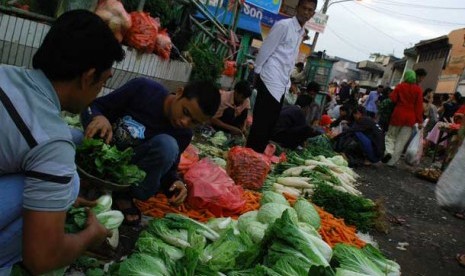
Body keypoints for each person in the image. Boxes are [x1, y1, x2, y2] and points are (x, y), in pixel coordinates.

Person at [0, 10, 125, 275]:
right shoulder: (52, 140)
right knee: (69, 183)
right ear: (88, 77)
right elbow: (42, 258)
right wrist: (89, 237)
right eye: (103, 82)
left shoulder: (5, 73)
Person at [81, 78, 220, 225]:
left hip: (126, 176)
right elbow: (95, 106)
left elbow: (167, 169)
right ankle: (89, 182)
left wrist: (176, 184)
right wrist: (99, 117)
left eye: (194, 122)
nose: (185, 122)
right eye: (185, 112)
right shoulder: (143, 89)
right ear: (179, 93)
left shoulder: (183, 134)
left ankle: (124, 195)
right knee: (70, 138)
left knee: (168, 145)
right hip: (97, 156)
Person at [246, 0, 317, 153]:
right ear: (297, 8)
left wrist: (287, 82)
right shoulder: (283, 26)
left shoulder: (300, 32)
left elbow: (289, 58)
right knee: (261, 125)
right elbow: (266, 48)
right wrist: (256, 73)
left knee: (269, 125)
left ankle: (255, 159)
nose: (306, 12)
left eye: (310, 10)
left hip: (280, 83)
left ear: (313, 14)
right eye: (303, 8)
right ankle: (249, 157)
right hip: (270, 77)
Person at [382, 70, 423, 166]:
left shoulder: (400, 86)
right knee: (401, 141)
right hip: (410, 118)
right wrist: (420, 121)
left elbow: (392, 98)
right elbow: (419, 106)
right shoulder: (418, 89)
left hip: (398, 114)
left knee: (391, 136)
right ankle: (391, 162)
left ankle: (388, 151)